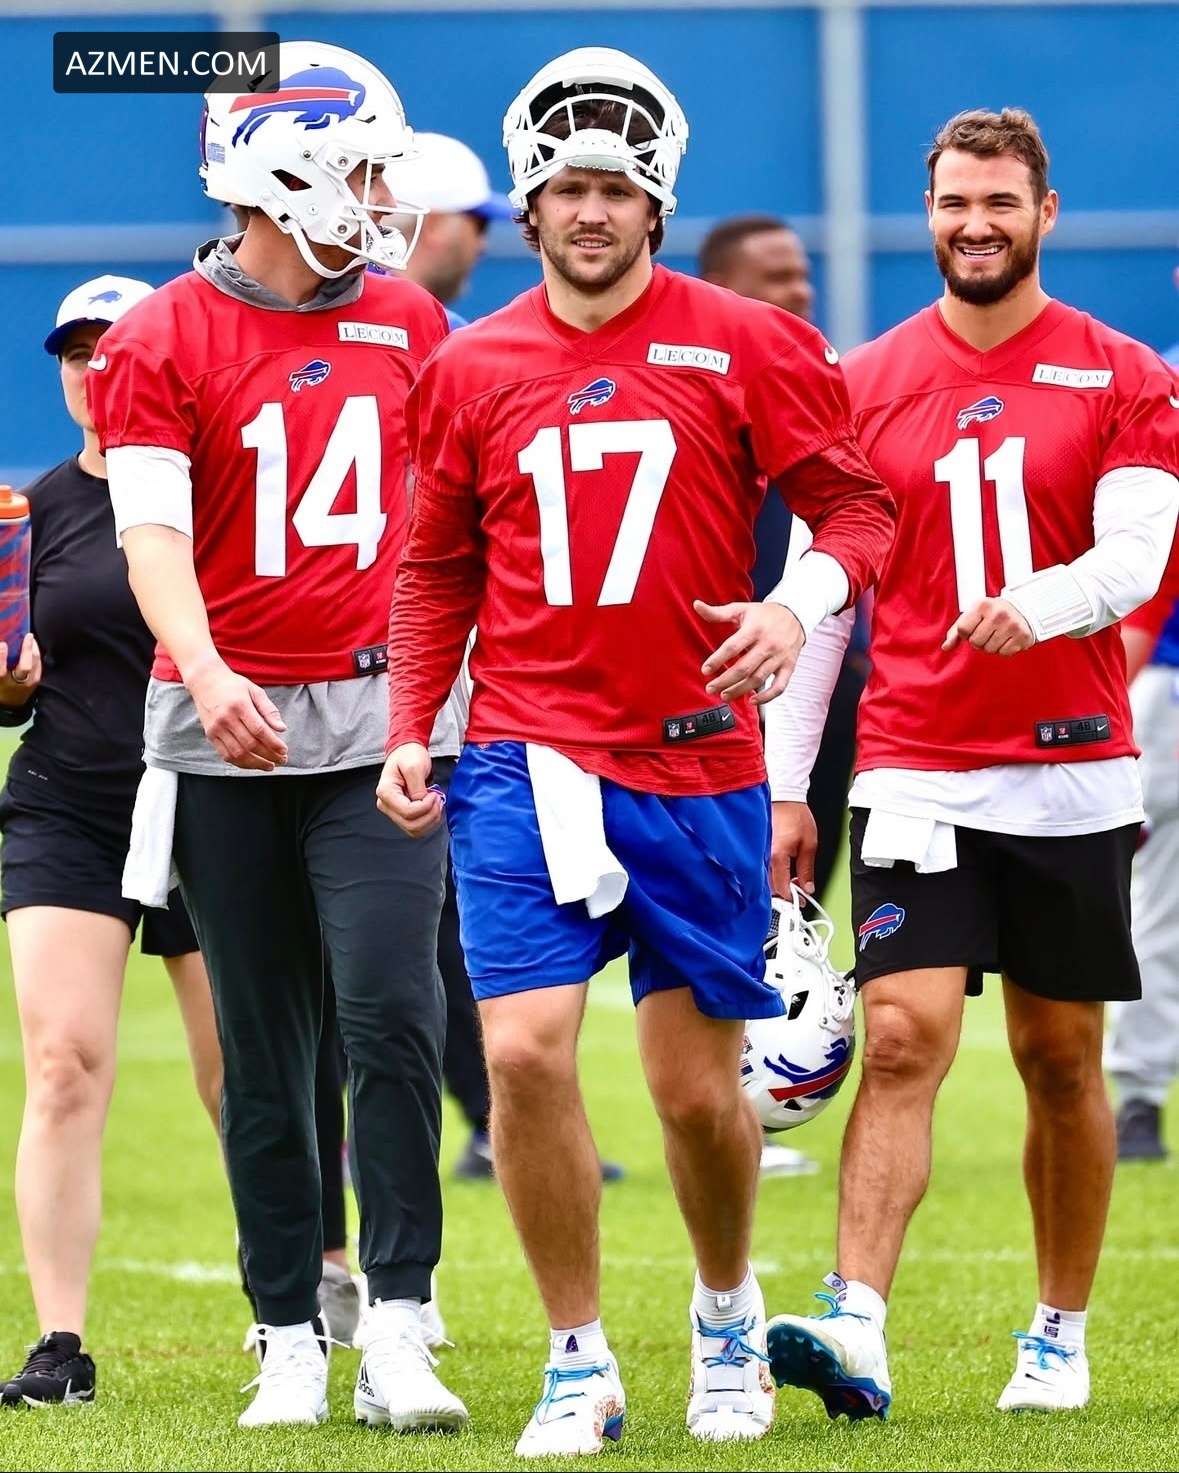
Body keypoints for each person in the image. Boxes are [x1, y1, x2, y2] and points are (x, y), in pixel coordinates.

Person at [376, 46, 894, 1455]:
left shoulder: (749, 340)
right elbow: (434, 568)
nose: (590, 210)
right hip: (524, 758)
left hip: (695, 763)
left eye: (614, 187)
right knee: (522, 1055)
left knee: (692, 1091)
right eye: (566, 188)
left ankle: (725, 1314)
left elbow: (858, 509)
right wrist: (411, 725)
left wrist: (795, 604)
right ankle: (576, 1359)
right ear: (530, 208)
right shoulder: (468, 363)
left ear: (654, 205)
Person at [763, 107, 1179, 1421]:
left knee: (1058, 1059)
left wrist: (1035, 607)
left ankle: (1057, 1334)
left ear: (1043, 213)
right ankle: (855, 1323)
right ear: (927, 213)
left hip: (1071, 770)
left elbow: (1135, 556)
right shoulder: (860, 379)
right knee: (899, 1037)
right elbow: (821, 599)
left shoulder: (1124, 374)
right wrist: (784, 785)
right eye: (954, 202)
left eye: (999, 202)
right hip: (912, 768)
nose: (975, 224)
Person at [87, 42, 467, 1431]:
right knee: (263, 1045)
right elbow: (150, 535)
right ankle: (291, 1328)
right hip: (225, 727)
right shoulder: (157, 337)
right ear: (282, 171)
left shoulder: (411, 322)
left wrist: (445, 695)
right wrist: (205, 669)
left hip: (380, 719)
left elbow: (455, 527)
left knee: (393, 1011)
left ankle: (402, 1323)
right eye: (358, 168)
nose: (380, 197)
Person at [386, 131, 626, 1185]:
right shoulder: (460, 353)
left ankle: (485, 1113)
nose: (478, 242)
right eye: (468, 221)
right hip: (404, 671)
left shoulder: (470, 345)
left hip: (450, 675)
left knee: (436, 918)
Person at [0, 276, 223, 1408]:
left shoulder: (218, 494)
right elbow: (7, 685)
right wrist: (6, 684)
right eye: (76, 352)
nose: (96, 370)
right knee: (61, 1064)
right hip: (70, 805)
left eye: (117, 349)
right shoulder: (30, 511)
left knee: (245, 1076)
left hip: (211, 799)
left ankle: (313, 1294)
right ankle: (60, 1344)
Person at [699, 213, 871, 1182]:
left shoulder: (819, 384)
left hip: (818, 673)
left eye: (803, 275)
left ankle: (760, 1098)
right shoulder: (694, 382)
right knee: (726, 896)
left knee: (797, 894)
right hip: (716, 680)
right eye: (776, 277)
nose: (800, 291)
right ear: (724, 287)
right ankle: (722, 1100)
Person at [1104, 314, 1179, 1161]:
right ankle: (1140, 1093)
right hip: (1167, 684)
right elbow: (1140, 582)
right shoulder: (1150, 385)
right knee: (1159, 898)